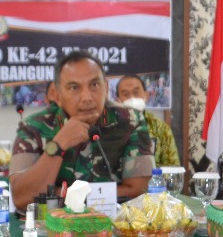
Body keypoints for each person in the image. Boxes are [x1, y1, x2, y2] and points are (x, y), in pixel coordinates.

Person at [10, 50, 154, 210]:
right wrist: (59, 144)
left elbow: (140, 192)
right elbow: (21, 198)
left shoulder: (131, 120)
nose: (87, 97)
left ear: (106, 88)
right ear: (57, 96)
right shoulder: (33, 127)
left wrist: (63, 194)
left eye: (94, 85)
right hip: (55, 223)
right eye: (74, 88)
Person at [115, 74, 180, 167]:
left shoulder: (161, 128)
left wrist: (150, 170)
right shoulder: (109, 128)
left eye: (136, 92)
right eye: (125, 94)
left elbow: (173, 167)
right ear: (117, 101)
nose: (132, 98)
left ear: (146, 95)